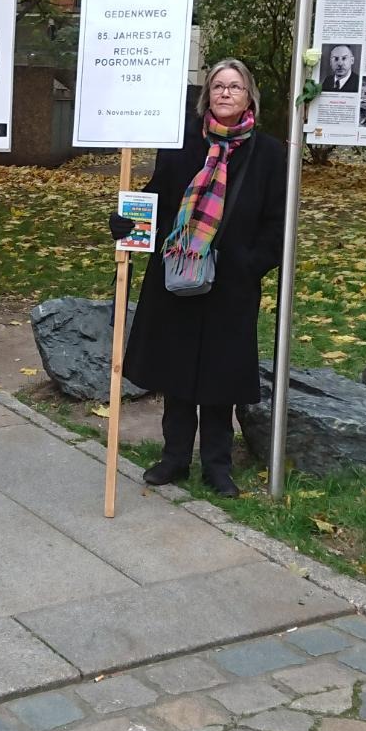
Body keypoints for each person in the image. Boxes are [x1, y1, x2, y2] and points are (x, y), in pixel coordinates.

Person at [114, 60, 288, 497]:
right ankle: (174, 457)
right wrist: (128, 226)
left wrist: (250, 264)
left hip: (232, 281)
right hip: (179, 271)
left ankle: (217, 464)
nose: (225, 93)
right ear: (206, 95)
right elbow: (156, 198)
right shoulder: (181, 145)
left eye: (235, 86)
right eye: (217, 86)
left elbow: (278, 221)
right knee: (176, 368)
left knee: (219, 374)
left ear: (250, 96)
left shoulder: (268, 153)